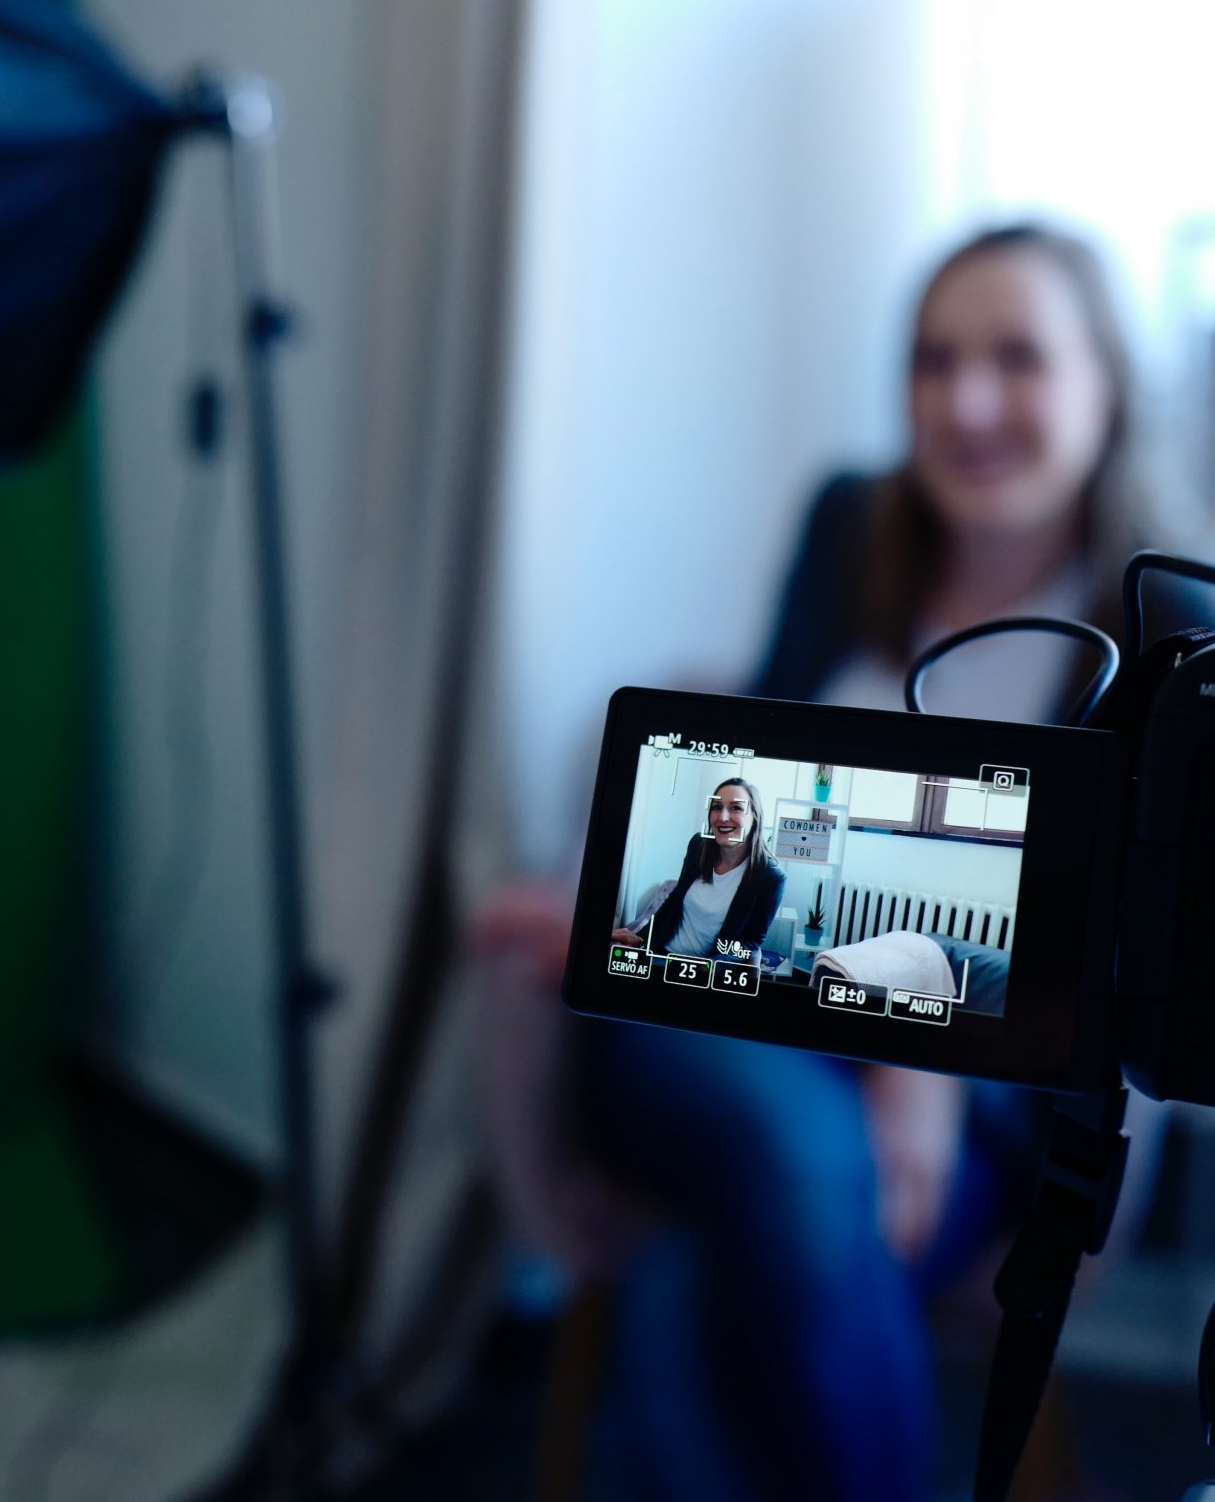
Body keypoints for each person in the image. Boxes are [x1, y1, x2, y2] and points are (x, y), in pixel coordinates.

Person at [479, 222, 1168, 1502]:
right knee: (789, 1158)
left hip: (977, 1119)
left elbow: (1147, 968)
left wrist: (926, 1054)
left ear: (1106, 384)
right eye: (931, 361)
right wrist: (600, 889)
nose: (963, 403)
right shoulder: (851, 528)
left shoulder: (1170, 633)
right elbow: (744, 793)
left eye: (1015, 359)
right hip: (721, 1026)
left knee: (739, 1242)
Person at [610, 778, 788, 961]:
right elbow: (675, 899)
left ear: (755, 818)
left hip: (703, 968)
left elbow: (751, 941)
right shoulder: (698, 845)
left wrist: (712, 967)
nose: (723, 817)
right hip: (660, 950)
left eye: (736, 808)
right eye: (717, 807)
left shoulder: (770, 877)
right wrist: (641, 937)